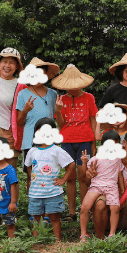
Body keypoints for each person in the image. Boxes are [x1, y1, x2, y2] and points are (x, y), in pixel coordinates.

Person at [52, 64, 98, 222]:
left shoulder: (88, 97)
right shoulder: (61, 99)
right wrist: (58, 110)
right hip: (67, 142)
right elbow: (61, 124)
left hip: (85, 140)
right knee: (70, 176)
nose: (72, 88)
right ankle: (72, 212)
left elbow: (93, 119)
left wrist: (93, 143)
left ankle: (86, 209)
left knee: (84, 175)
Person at [92, 128, 127, 237]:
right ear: (124, 143)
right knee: (99, 203)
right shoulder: (108, 160)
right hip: (108, 209)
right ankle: (100, 238)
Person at [24, 118, 74, 239]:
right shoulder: (32, 151)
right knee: (36, 218)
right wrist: (31, 178)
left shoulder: (56, 150)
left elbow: (71, 164)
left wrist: (63, 179)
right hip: (35, 192)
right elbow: (28, 166)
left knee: (54, 217)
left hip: (53, 192)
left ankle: (57, 241)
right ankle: (36, 240)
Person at [82, 131, 127, 240]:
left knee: (115, 208)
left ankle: (112, 234)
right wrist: (84, 162)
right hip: (96, 186)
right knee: (84, 208)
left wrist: (122, 189)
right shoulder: (96, 158)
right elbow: (86, 173)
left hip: (112, 187)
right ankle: (83, 233)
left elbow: (120, 173)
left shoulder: (118, 159)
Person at [15, 57, 60, 159]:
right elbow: (19, 122)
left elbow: (56, 119)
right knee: (31, 173)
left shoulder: (53, 94)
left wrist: (59, 110)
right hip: (30, 142)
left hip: (49, 141)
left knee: (50, 171)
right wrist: (25, 111)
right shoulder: (22, 94)